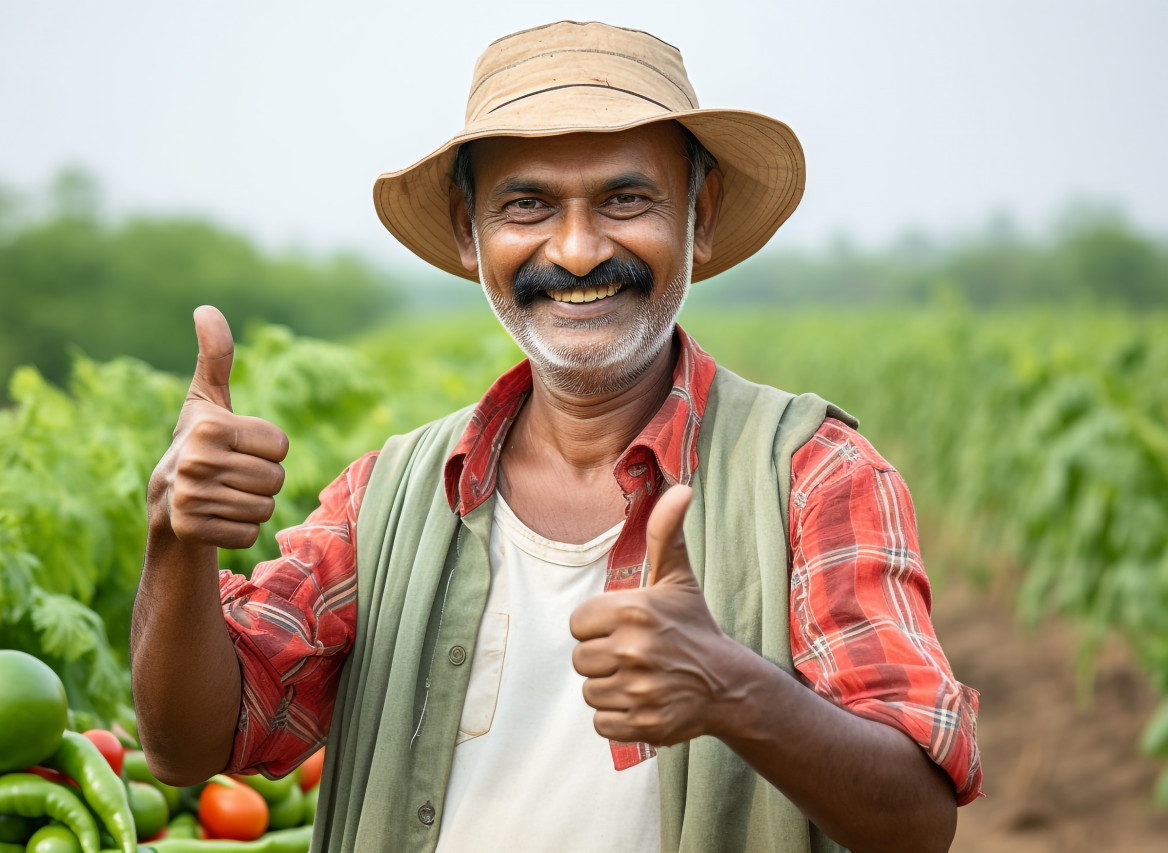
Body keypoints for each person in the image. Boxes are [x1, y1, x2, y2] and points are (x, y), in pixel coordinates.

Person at [131, 20, 981, 853]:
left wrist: (735, 688)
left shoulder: (811, 475)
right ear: (471, 232)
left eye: (626, 198)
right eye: (527, 204)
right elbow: (191, 745)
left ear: (701, 215)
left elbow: (916, 822)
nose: (576, 250)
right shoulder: (388, 497)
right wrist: (173, 536)